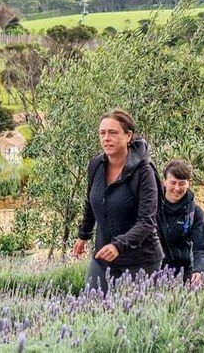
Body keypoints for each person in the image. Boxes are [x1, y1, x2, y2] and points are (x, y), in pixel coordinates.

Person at [72, 109, 164, 292]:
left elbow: (147, 221)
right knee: (92, 307)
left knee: (134, 317)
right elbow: (91, 203)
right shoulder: (96, 165)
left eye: (113, 133)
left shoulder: (144, 172)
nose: (106, 138)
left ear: (128, 136)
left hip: (140, 261)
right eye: (102, 133)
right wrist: (84, 235)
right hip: (103, 256)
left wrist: (118, 245)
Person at [158, 158, 204, 285]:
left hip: (182, 275)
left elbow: (203, 248)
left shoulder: (194, 212)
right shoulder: (151, 206)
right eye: (173, 182)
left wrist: (199, 270)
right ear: (164, 182)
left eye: (182, 183)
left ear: (188, 184)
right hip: (151, 273)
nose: (177, 188)